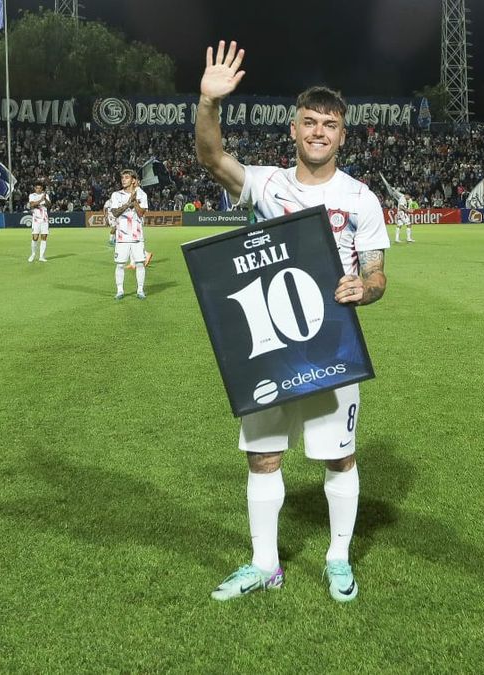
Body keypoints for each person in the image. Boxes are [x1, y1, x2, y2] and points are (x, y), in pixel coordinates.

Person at [195, 41, 389, 604]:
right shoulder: (265, 184)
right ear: (294, 129)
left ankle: (337, 558)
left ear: (343, 135)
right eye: (310, 122)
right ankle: (263, 563)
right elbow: (212, 158)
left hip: (334, 346)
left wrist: (364, 288)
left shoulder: (361, 199)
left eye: (330, 124)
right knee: (263, 455)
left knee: (339, 454)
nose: (320, 132)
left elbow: (377, 275)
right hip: (265, 345)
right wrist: (208, 103)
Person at [105, 169, 149, 299]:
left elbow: (141, 213)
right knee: (120, 264)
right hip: (122, 236)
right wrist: (128, 203)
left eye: (126, 177)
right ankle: (120, 290)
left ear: (134, 180)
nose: (123, 180)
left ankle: (140, 290)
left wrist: (134, 201)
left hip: (137, 236)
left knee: (140, 263)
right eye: (122, 178)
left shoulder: (142, 194)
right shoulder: (116, 195)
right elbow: (115, 213)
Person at [27, 182, 51, 262]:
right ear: (35, 188)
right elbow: (32, 205)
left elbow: (49, 205)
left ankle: (41, 256)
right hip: (36, 219)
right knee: (35, 237)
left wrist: (45, 199)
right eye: (37, 188)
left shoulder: (45, 195)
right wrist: (41, 200)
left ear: (42, 188)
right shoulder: (32, 195)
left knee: (44, 237)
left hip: (44, 219)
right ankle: (33, 254)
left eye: (40, 188)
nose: (38, 189)